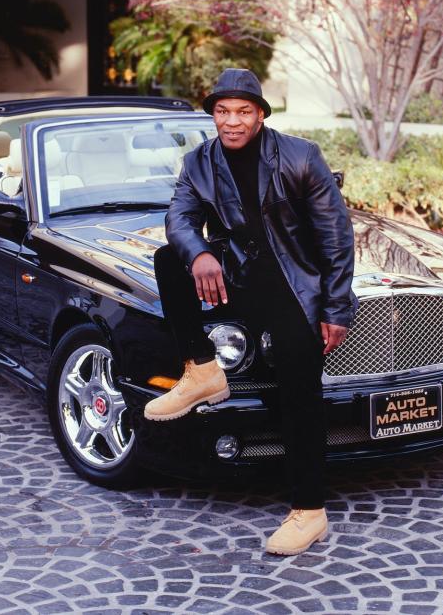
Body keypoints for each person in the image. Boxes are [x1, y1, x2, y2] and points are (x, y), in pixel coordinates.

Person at [144, 68, 357, 556]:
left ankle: (310, 511)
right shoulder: (199, 162)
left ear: (261, 115)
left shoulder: (301, 156)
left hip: (295, 285)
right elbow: (178, 218)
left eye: (243, 111)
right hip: (239, 277)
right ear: (212, 115)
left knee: (298, 387)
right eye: (222, 111)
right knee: (168, 260)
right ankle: (202, 372)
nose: (232, 121)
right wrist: (198, 254)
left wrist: (337, 308)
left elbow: (336, 237)